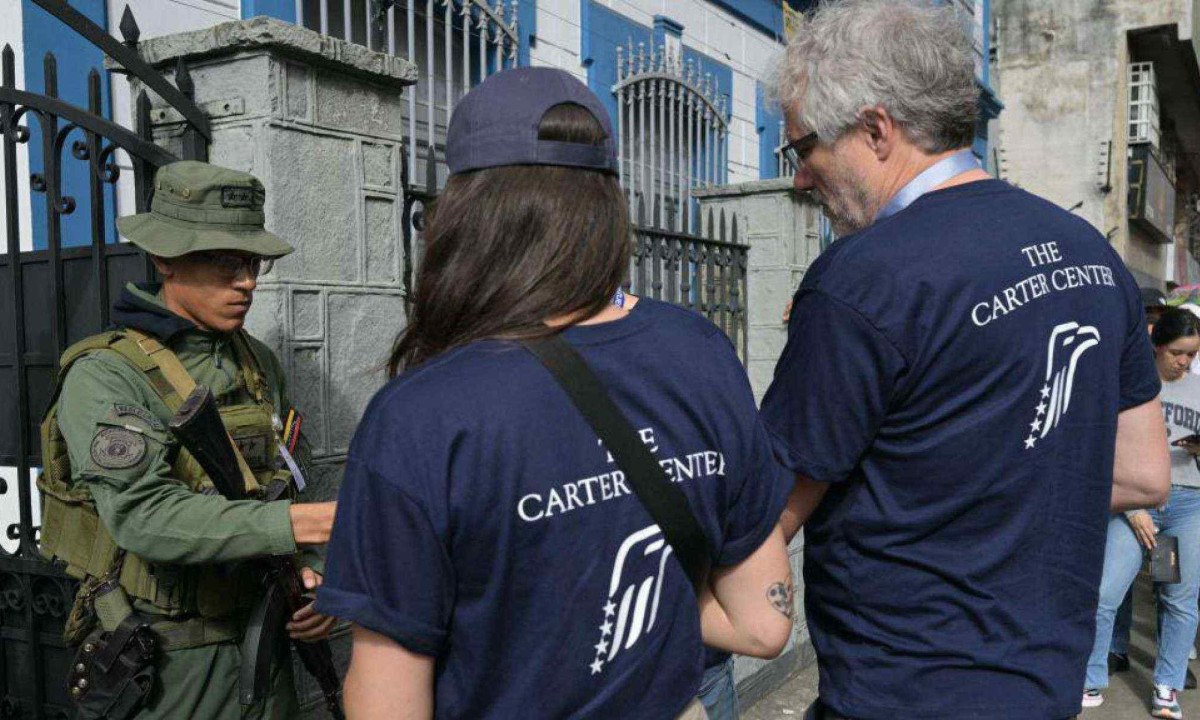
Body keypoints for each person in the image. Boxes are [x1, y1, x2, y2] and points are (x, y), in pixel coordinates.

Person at [313, 67, 794, 719]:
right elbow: (763, 627)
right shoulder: (698, 348)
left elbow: (387, 701)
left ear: (462, 216)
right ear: (606, 210)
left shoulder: (421, 416)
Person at [760, 1, 1171, 718]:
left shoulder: (862, 279)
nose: (800, 178)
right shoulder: (1091, 257)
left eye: (802, 150)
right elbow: (1142, 472)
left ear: (876, 129)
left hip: (901, 693)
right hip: (1043, 686)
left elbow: (767, 513)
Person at [36, 161, 337, 719]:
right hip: (171, 664)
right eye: (224, 264)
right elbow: (143, 517)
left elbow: (287, 476)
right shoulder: (107, 372)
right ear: (165, 260)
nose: (245, 281)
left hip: (264, 644)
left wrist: (313, 573)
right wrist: (303, 525)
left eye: (251, 263)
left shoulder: (256, 362)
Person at [1083, 308, 1200, 718]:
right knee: (1105, 592)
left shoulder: (1199, 389)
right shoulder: (1133, 384)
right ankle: (1090, 678)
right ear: (1157, 347)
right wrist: (1134, 510)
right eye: (1177, 353)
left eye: (1191, 355)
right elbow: (1107, 448)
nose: (1184, 363)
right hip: (1136, 505)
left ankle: (1167, 687)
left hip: (1185, 506)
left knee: (1177, 596)